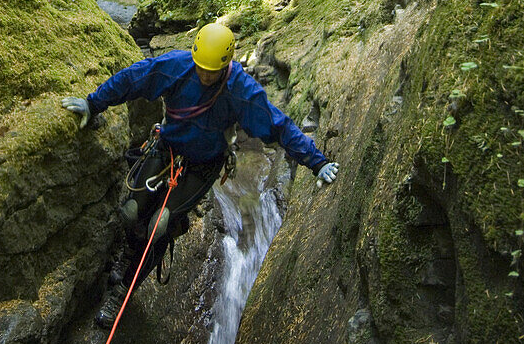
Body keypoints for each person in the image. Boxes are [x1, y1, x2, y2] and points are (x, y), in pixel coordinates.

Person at [62, 21, 339, 328]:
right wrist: (92, 102)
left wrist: (317, 162)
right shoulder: (177, 66)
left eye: (212, 71)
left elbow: (279, 126)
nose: (205, 76)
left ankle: (123, 291)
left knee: (160, 224)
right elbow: (133, 79)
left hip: (203, 164)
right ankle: (126, 253)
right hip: (167, 148)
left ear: (226, 66)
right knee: (131, 211)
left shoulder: (240, 90)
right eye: (201, 68)